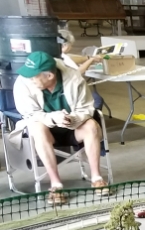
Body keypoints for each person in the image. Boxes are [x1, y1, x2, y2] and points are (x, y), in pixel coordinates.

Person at [12, 51, 109, 204]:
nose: (30, 79)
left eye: (34, 76)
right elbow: (29, 114)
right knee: (37, 128)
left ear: (49, 76)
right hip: (45, 130)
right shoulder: (23, 83)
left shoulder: (74, 78)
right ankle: (56, 185)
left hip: (73, 128)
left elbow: (86, 108)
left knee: (92, 125)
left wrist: (73, 119)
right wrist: (53, 118)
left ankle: (96, 178)